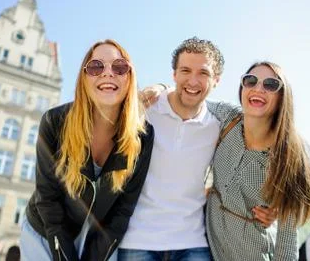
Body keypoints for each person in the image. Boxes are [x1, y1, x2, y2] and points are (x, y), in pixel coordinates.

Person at [117, 37, 274, 261]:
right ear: (174, 75)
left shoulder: (219, 125)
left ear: (217, 80)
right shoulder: (145, 109)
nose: (193, 80)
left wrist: (269, 209)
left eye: (203, 73)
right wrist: (159, 88)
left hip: (193, 243)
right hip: (138, 240)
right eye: (185, 70)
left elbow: (250, 161)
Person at [20, 39, 154, 261]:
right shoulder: (54, 122)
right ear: (84, 79)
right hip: (45, 230)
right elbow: (48, 200)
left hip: (97, 237)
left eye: (119, 67)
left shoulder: (143, 136)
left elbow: (123, 212)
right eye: (96, 67)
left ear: (130, 77)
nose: (108, 73)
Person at [205, 61, 310, 260]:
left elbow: (287, 242)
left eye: (271, 85)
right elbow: (190, 98)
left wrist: (274, 213)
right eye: (250, 81)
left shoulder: (289, 156)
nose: (258, 88)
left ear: (283, 97)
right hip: (207, 249)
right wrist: (161, 88)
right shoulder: (228, 118)